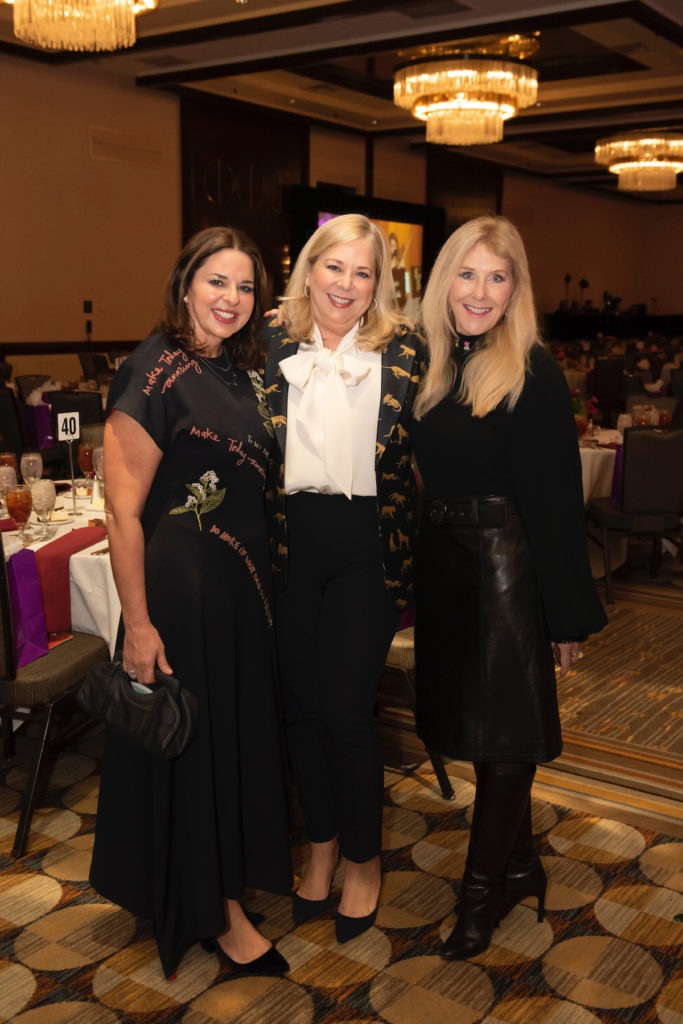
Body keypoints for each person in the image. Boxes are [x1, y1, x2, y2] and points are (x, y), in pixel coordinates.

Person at [89, 227, 292, 979]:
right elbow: (122, 515)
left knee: (229, 740)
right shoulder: (152, 371)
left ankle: (213, 879)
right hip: (180, 593)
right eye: (216, 283)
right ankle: (218, 916)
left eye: (244, 287)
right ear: (184, 286)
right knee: (197, 748)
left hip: (239, 593)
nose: (230, 300)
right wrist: (137, 626)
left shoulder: (237, 370)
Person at [411, 215, 607, 961]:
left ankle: (480, 892)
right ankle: (522, 863)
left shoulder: (531, 368)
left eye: (498, 277)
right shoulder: (428, 361)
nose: (480, 292)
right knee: (479, 729)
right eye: (467, 273)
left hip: (504, 565)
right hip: (444, 563)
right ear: (444, 280)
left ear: (515, 288)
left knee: (502, 741)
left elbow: (556, 501)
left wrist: (563, 615)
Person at [264, 214, 421, 943]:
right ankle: (319, 846)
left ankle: (363, 858)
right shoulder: (266, 343)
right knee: (298, 709)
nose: (346, 285)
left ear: (378, 284)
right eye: (335, 268)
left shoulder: (408, 350)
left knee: (346, 714)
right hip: (287, 546)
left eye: (363, 273)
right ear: (308, 268)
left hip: (367, 546)